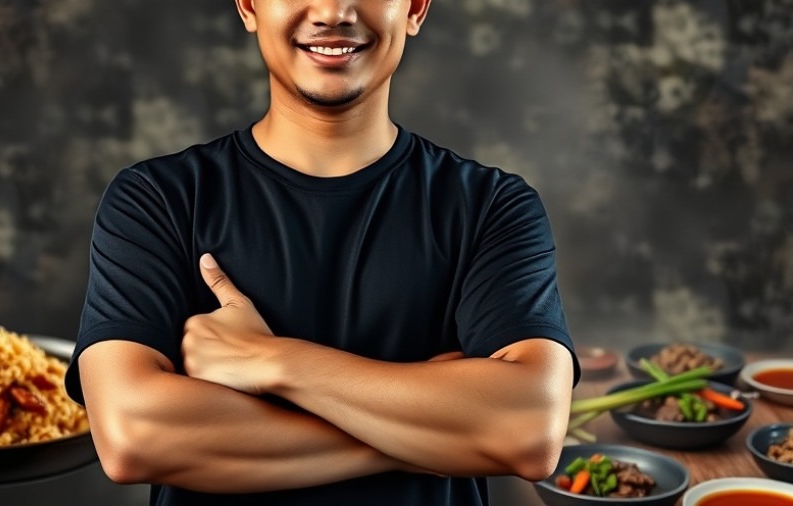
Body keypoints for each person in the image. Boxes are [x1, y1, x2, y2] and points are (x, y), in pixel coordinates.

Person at [65, 1, 580, 505]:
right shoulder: (155, 199)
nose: (334, 11)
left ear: (416, 8)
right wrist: (430, 435)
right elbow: (131, 436)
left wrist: (269, 359)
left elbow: (528, 430)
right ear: (248, 6)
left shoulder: (491, 207)